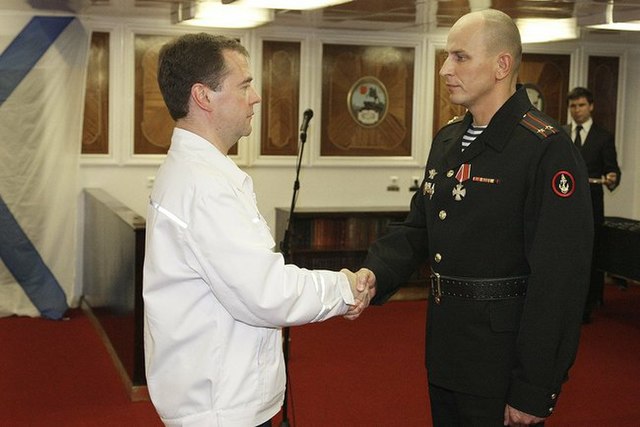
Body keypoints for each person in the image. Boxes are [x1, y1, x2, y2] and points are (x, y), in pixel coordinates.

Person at [352, 9, 593, 426]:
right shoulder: (448, 140)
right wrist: (375, 272)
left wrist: (535, 387)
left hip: (502, 361)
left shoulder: (544, 148)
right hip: (447, 349)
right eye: (447, 57)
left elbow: (560, 280)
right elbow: (419, 227)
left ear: (502, 65)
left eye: (460, 57)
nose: (446, 69)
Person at [143, 33, 374, 427]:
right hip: (221, 406)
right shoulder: (204, 185)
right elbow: (265, 294)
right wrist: (342, 288)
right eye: (244, 85)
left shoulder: (195, 173)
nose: (256, 97)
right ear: (204, 96)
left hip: (217, 394)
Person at [564, 87, 621, 324]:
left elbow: (612, 169)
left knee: (589, 254)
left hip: (591, 205)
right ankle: (563, 302)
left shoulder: (603, 136)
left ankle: (587, 304)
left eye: (581, 105)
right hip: (564, 206)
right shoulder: (561, 133)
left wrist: (612, 178)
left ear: (591, 106)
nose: (577, 111)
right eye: (573, 106)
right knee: (565, 255)